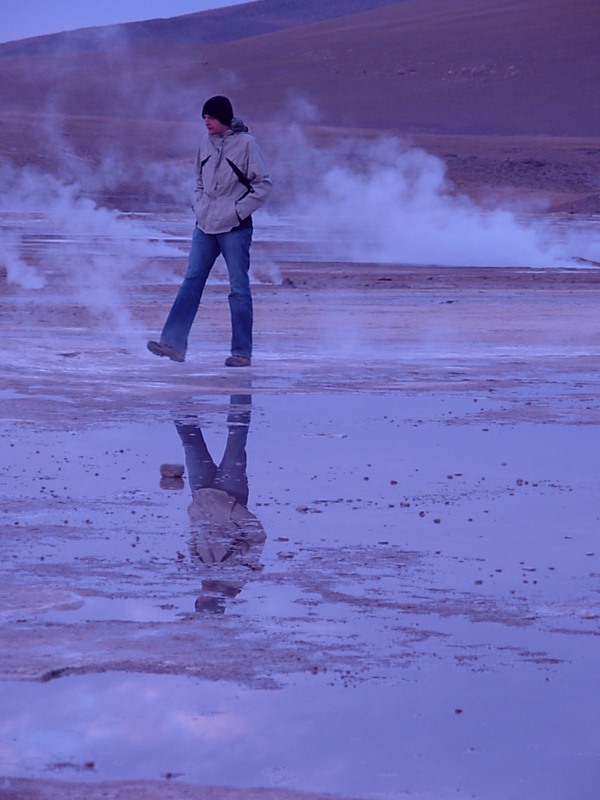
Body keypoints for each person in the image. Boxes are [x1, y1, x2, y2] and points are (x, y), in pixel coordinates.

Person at [147, 95, 272, 367]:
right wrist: (198, 204)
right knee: (191, 280)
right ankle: (173, 344)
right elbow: (198, 180)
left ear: (224, 118)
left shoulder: (247, 145)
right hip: (204, 225)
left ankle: (241, 352)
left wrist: (238, 211)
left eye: (211, 118)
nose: (207, 122)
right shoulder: (205, 143)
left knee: (238, 288)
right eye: (204, 118)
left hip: (234, 228)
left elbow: (263, 185)